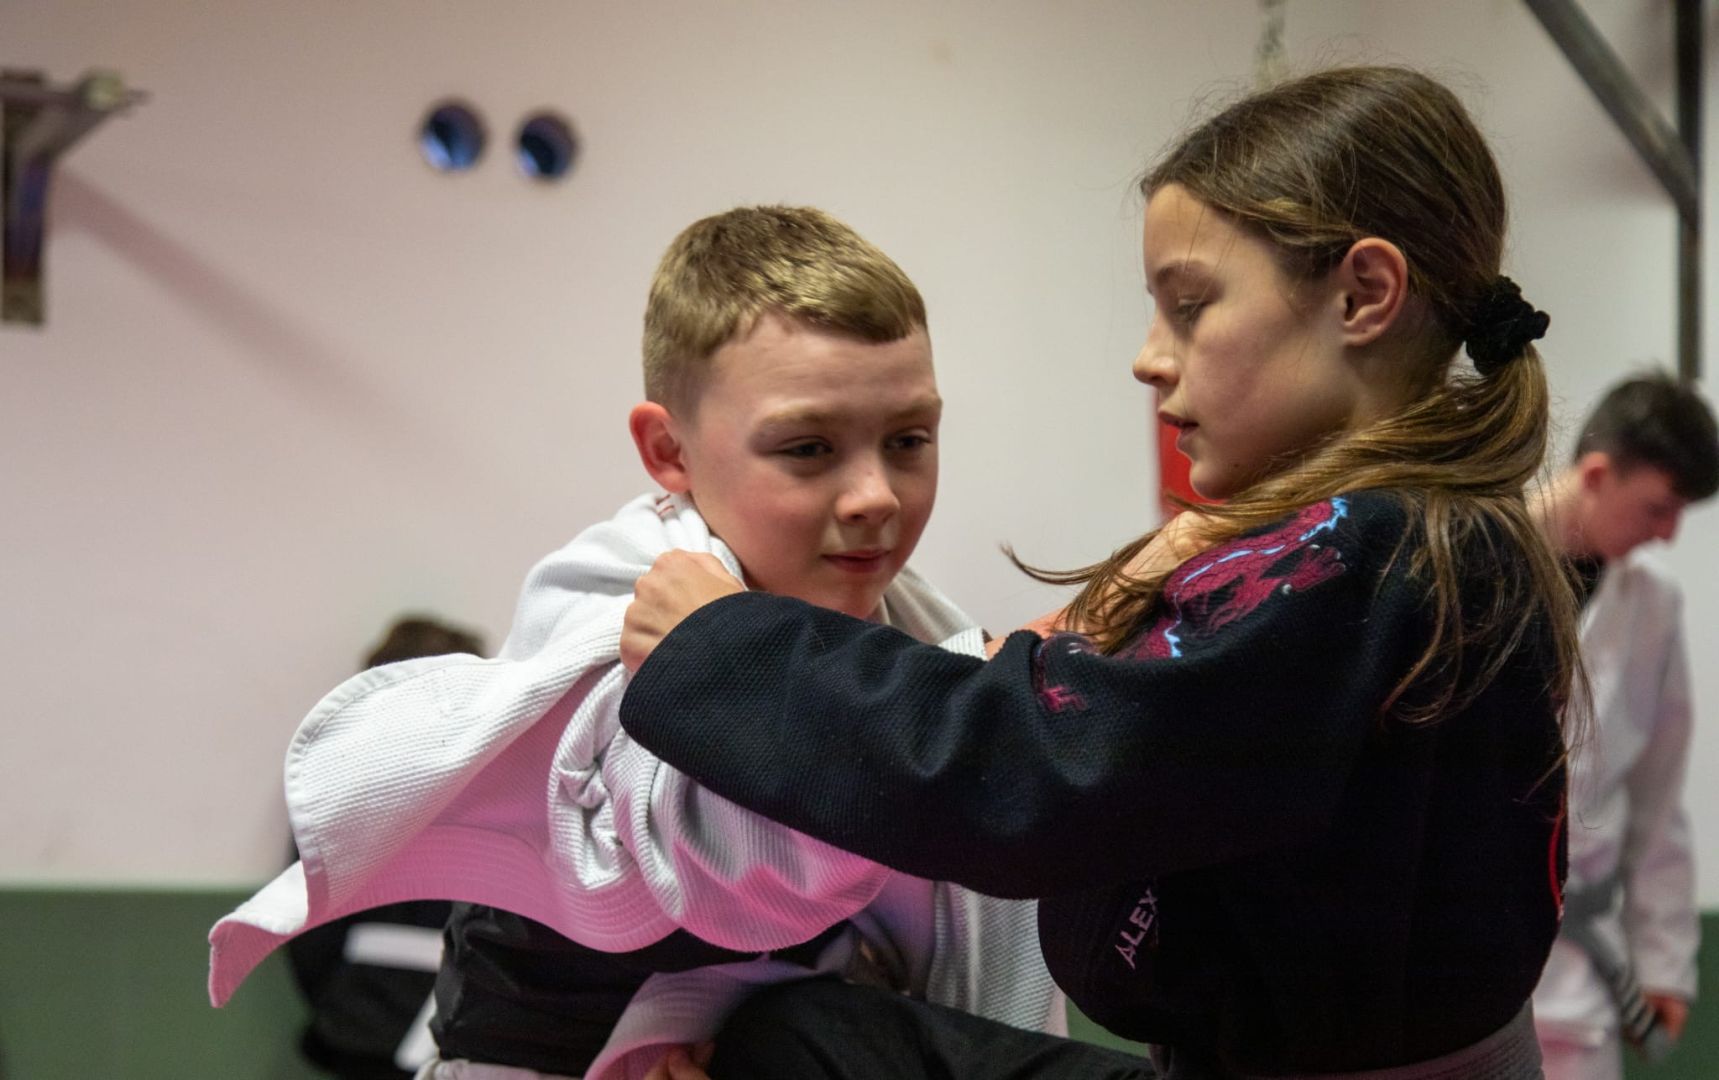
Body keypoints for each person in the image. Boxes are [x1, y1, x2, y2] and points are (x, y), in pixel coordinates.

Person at [618, 66, 1582, 1079]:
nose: (1149, 358)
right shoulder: (1411, 535)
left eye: (1190, 306)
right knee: (799, 1036)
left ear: (1362, 294)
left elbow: (1035, 770)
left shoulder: (1359, 557)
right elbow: (1136, 725)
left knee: (788, 1054)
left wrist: (727, 648)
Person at [210, 206, 1073, 1080]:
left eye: (908, 440)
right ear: (669, 451)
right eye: (809, 448)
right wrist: (959, 699)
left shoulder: (916, 634)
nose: (874, 495)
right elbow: (735, 866)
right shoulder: (615, 609)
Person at [1530, 374, 1716, 1079]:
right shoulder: (1476, 563)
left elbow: (1657, 794)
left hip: (1580, 975)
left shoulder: (1651, 606)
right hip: (1457, 959)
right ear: (1597, 475)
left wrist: (1664, 962)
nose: (1667, 534)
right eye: (1658, 508)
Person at [286, 617, 487, 1080]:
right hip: (455, 1021)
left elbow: (305, 924)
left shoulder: (327, 782)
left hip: (363, 1016)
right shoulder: (494, 783)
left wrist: (339, 997)